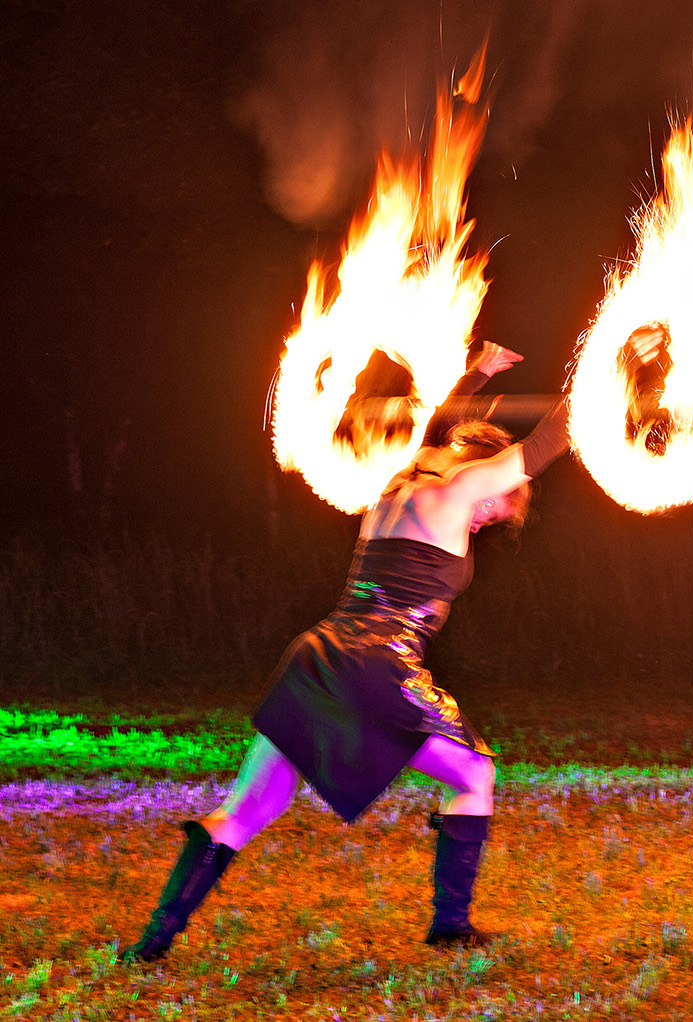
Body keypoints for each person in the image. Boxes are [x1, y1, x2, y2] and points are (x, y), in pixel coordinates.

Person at [125, 342, 569, 960]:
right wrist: (602, 384)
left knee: (252, 806)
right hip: (380, 664)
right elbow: (547, 442)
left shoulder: (402, 481)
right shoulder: (465, 486)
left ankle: (151, 943)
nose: (488, 517)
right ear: (484, 475)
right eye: (500, 507)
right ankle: (450, 926)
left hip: (319, 653)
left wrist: (477, 374)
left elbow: (441, 433)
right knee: (475, 773)